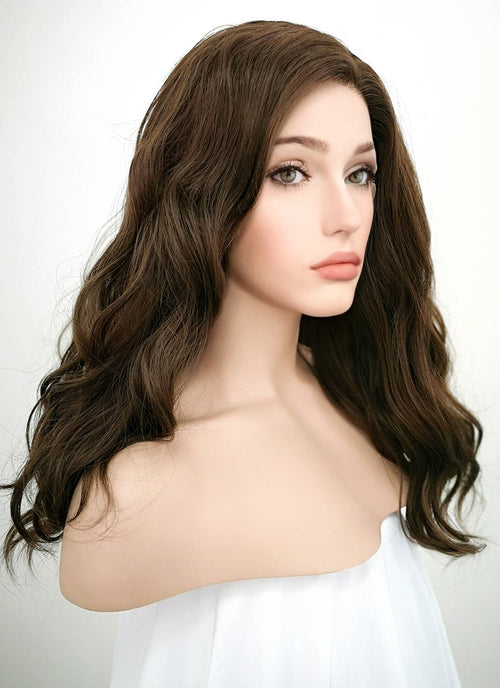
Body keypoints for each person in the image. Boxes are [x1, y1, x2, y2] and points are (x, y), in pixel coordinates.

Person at [1, 18, 487, 687]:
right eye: (291, 172)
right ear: (203, 189)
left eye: (360, 173)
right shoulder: (139, 486)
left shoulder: (359, 396)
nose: (347, 215)